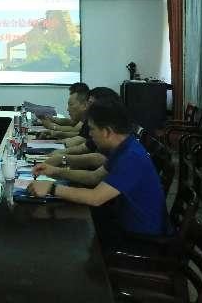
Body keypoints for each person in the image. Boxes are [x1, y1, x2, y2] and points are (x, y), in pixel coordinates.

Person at [28, 98, 167, 247]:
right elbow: (94, 177)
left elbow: (95, 198)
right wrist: (56, 171)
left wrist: (51, 188)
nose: (90, 134)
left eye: (92, 129)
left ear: (107, 131)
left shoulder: (131, 157)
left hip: (141, 237)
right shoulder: (125, 146)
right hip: (123, 220)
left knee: (63, 235)